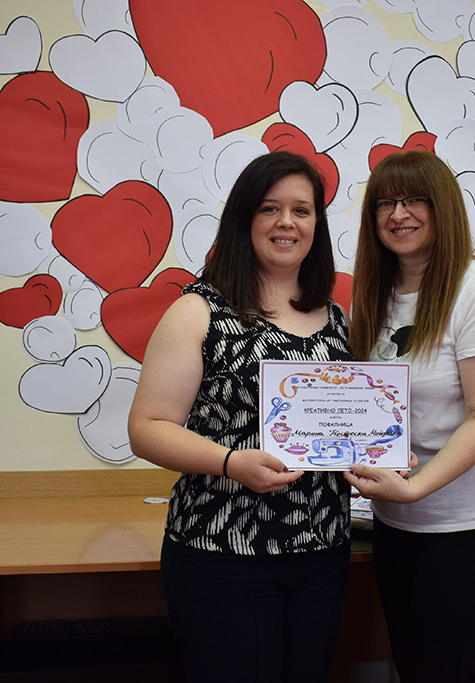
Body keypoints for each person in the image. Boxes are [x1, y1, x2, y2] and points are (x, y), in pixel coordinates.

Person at [127, 151, 352, 683]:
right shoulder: (199, 311)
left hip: (323, 553)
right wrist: (231, 462)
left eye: (301, 210)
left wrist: (380, 449)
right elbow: (147, 428)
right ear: (244, 219)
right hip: (223, 553)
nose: (286, 222)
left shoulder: (336, 317)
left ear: (316, 225)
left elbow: (345, 422)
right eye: (269, 208)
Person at [344, 150, 475, 682]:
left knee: (440, 669)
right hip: (395, 514)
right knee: (410, 663)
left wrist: (415, 488)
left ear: (442, 207)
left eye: (414, 200)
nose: (398, 214)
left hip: (467, 518)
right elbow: (369, 404)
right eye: (385, 203)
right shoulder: (375, 292)